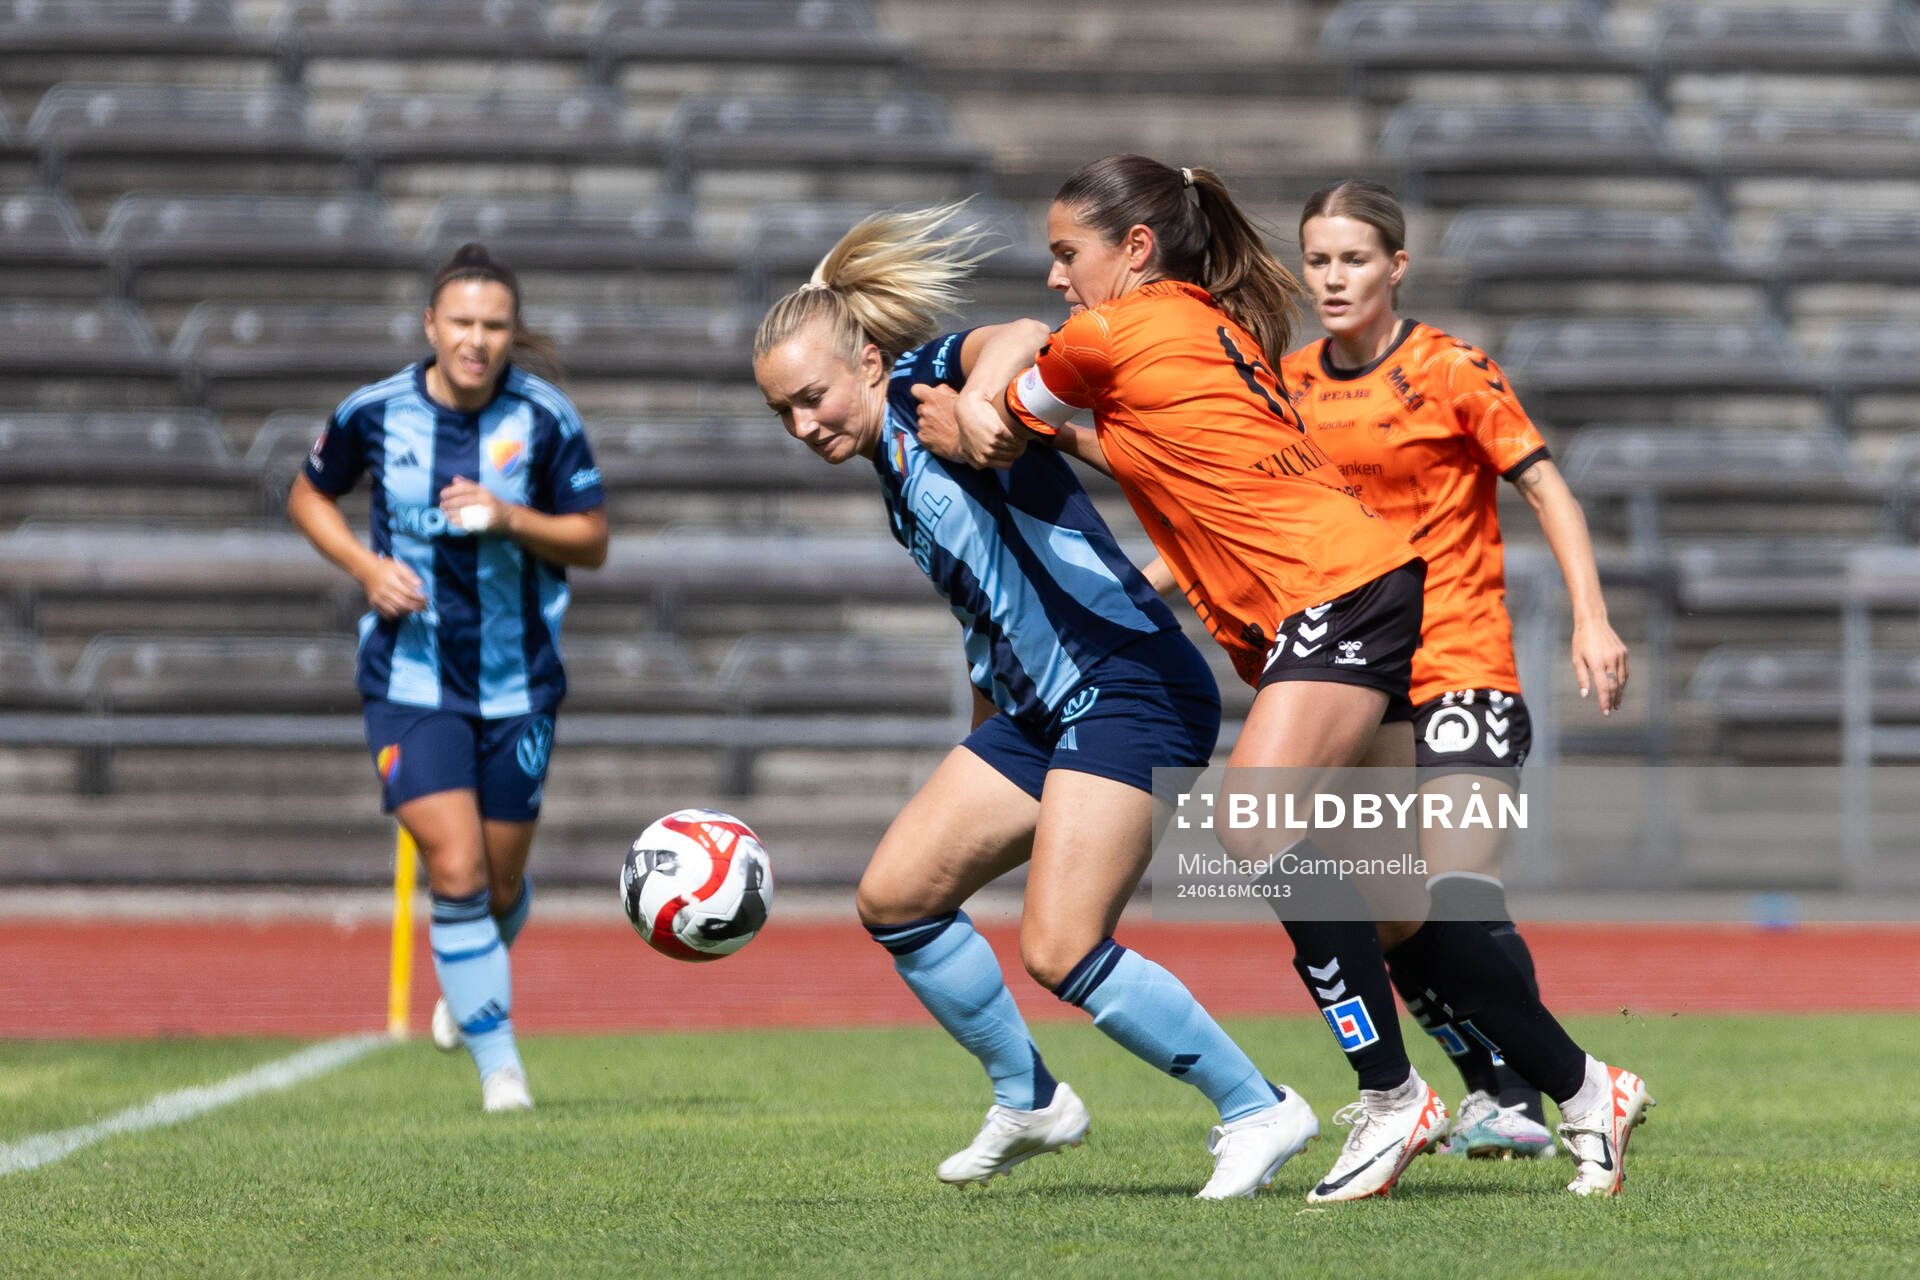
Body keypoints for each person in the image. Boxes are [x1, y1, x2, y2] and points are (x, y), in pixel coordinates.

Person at [931, 155, 1651, 1199]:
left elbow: (997, 422)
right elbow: (1165, 453)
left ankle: (1392, 1096)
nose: (1055, 276)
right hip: (1364, 589)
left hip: (1338, 595)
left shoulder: (1107, 332)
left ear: (1136, 247)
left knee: (1253, 824)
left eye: (1066, 252)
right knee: (1398, 913)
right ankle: (1586, 1090)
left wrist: (956, 405)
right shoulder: (1206, 323)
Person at [751, 204, 1318, 1199]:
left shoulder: (924, 383)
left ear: (868, 363)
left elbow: (1019, 336)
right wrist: (983, 742)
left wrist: (981, 406)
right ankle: (1031, 1099)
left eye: (812, 397)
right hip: (1040, 712)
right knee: (896, 899)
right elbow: (990, 609)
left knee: (1059, 946)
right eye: (782, 413)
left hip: (1131, 685)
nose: (804, 426)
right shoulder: (890, 468)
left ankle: (1259, 1106)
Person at [1281, 179, 1631, 1160]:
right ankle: (1495, 1086)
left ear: (1396, 266)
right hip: (1364, 680)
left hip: (1463, 662)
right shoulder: (1291, 383)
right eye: (1318, 260)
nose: (1334, 278)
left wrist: (1591, 618)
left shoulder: (1449, 368)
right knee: (1392, 913)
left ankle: (1540, 1092)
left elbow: (1547, 488)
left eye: (1355, 259)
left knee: (1457, 888)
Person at [287, 243, 608, 1112]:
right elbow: (309, 494)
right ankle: (502, 1069)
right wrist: (365, 567)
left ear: (512, 332)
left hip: (518, 684)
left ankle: (471, 976)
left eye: (494, 325)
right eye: (461, 322)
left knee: (498, 885)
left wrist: (509, 517)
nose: (477, 340)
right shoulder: (375, 411)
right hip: (410, 680)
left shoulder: (544, 418)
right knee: (457, 868)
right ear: (430, 325)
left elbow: (592, 539)